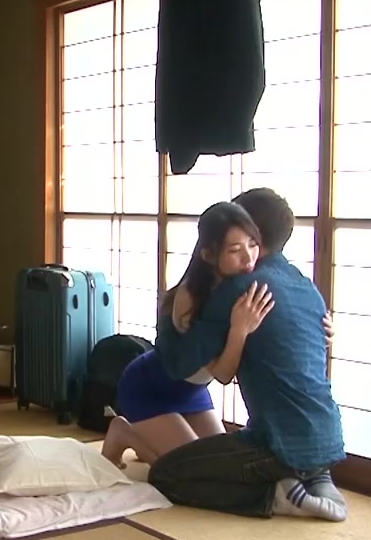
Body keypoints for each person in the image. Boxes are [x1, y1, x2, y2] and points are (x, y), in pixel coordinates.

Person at [149, 188, 348, 523]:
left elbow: (178, 364)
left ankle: (276, 495)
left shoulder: (240, 289)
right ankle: (315, 475)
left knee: (165, 474)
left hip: (276, 442)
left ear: (251, 230)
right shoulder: (306, 286)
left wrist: (167, 314)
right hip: (328, 437)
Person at [100, 202, 276, 468]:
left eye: (253, 244)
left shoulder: (244, 282)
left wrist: (324, 331)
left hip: (191, 392)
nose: (248, 258)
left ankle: (154, 439)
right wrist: (239, 330)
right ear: (208, 255)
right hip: (148, 387)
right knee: (194, 469)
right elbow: (224, 374)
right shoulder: (191, 298)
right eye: (234, 250)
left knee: (223, 466)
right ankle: (124, 433)